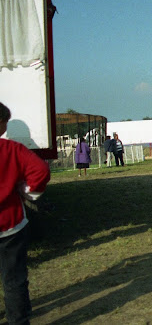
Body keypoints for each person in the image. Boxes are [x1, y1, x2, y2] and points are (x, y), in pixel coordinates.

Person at [0, 101, 50, 324]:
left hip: (11, 225)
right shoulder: (12, 149)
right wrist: (28, 192)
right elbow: (40, 170)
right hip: (10, 225)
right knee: (15, 279)